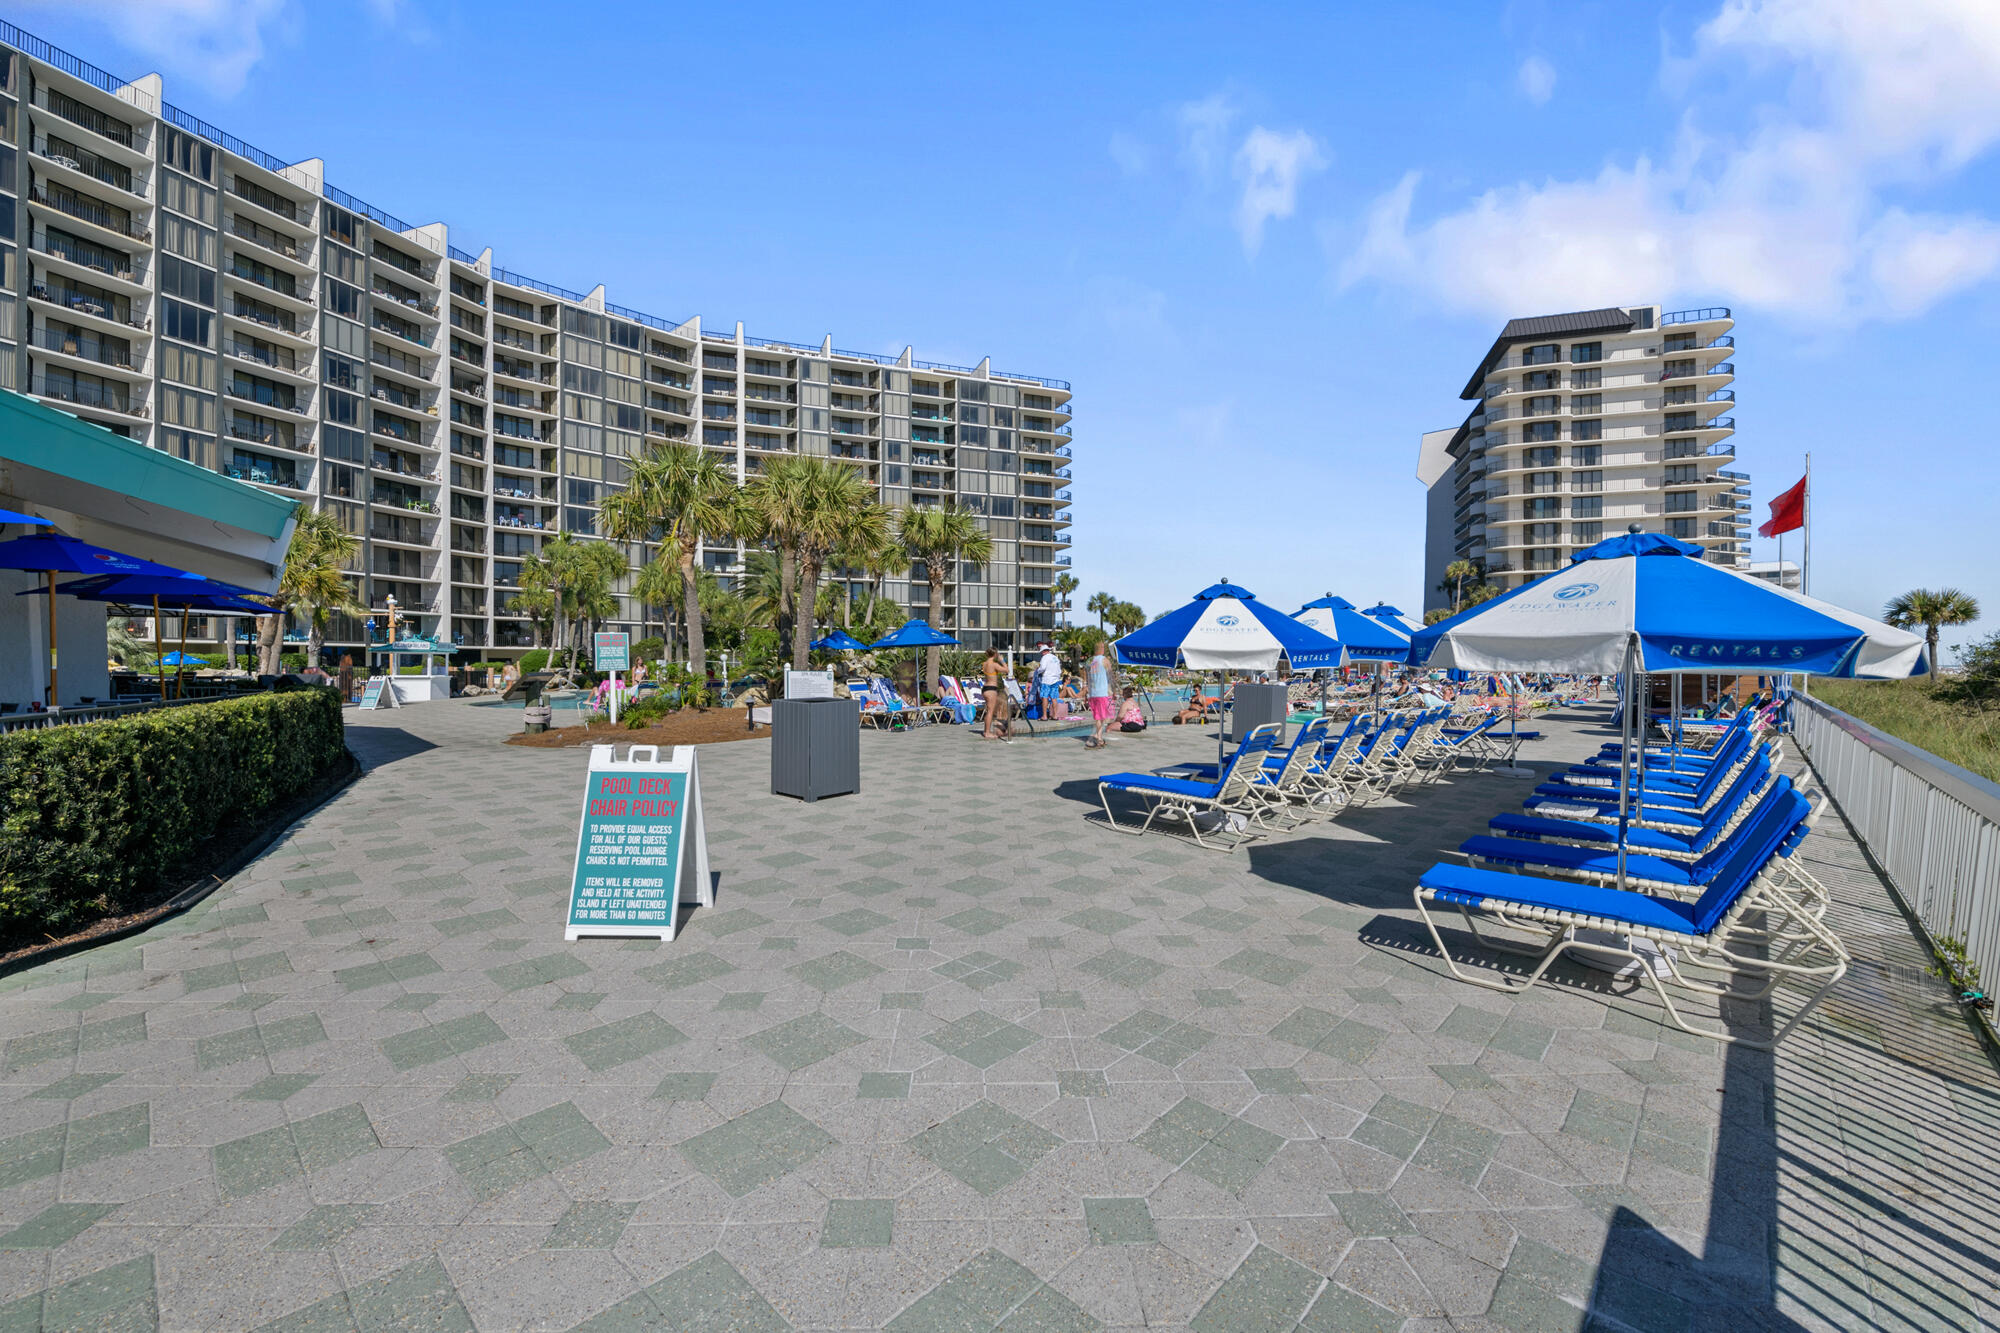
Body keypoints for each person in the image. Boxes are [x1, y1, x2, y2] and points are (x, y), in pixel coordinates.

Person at [1084, 640, 1115, 748]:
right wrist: (1114, 690)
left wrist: (1087, 693)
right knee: (1104, 716)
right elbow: (1110, 677)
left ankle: (1099, 736)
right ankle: (1098, 737)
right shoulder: (1105, 660)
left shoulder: (1089, 661)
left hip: (1093, 693)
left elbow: (1087, 679)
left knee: (1099, 716)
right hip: (1102, 692)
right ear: (1101, 648)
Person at [980, 647, 1012, 742]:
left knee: (989, 711)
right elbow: (1007, 670)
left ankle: (986, 731)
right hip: (991, 689)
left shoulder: (985, 663)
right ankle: (987, 732)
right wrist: (1002, 661)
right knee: (990, 711)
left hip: (985, 688)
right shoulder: (994, 664)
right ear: (995, 654)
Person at [1034, 642, 1062, 721]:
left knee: (1045, 697)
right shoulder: (1055, 658)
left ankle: (1044, 716)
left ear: (1043, 651)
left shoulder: (1044, 658)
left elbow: (1042, 668)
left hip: (1047, 679)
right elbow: (1059, 670)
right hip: (1055, 679)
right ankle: (1055, 715)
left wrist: (1038, 671)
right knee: (1054, 698)